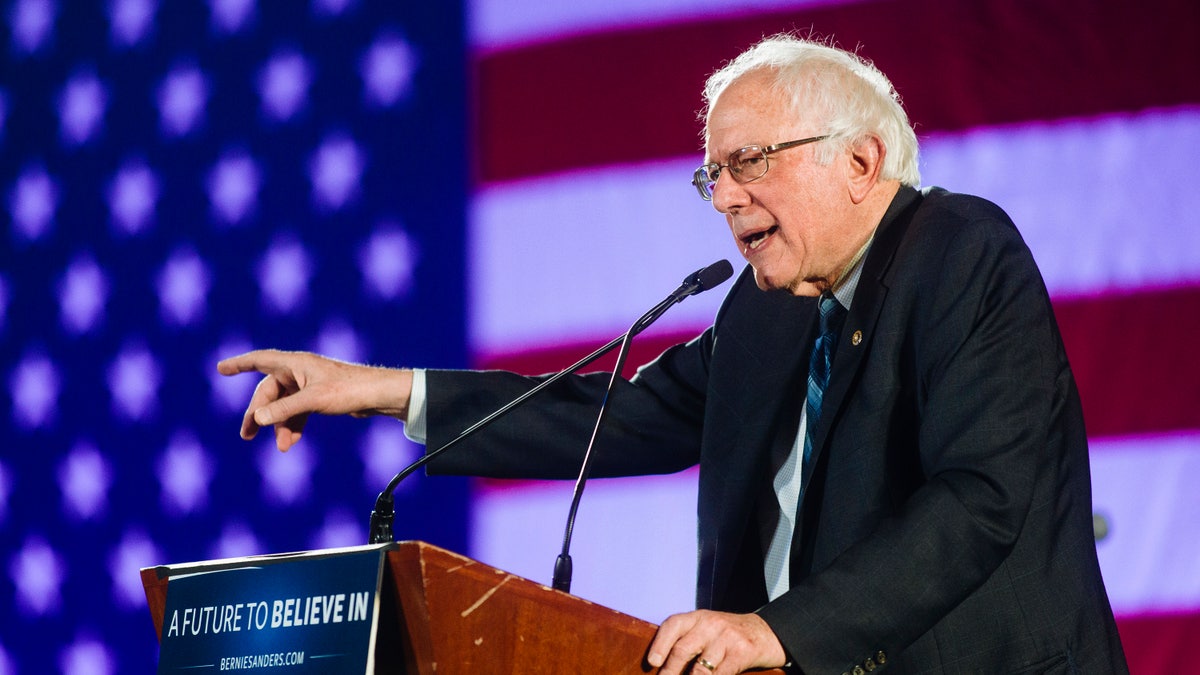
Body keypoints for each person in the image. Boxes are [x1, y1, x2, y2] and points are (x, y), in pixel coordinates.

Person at [219, 34, 1128, 674]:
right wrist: (375, 390)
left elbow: (981, 500)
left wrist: (779, 632)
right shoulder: (764, 313)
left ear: (861, 163)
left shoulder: (960, 252)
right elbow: (610, 414)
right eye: (714, 174)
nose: (726, 197)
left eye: (751, 161)